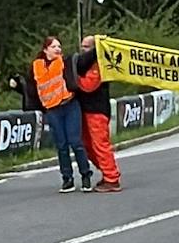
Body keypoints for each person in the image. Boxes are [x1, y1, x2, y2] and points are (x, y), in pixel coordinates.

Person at [32, 35, 91, 191]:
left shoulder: (66, 63)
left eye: (59, 46)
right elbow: (33, 87)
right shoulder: (37, 66)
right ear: (45, 50)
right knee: (61, 145)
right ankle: (67, 179)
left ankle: (86, 175)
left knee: (75, 142)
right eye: (54, 47)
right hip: (52, 109)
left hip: (69, 105)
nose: (58, 49)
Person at [71, 35, 122, 192]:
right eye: (82, 47)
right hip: (84, 110)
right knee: (86, 145)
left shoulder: (100, 64)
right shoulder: (83, 64)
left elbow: (88, 85)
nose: (83, 50)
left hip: (97, 110)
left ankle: (112, 178)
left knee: (100, 144)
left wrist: (72, 78)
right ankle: (108, 172)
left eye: (86, 47)